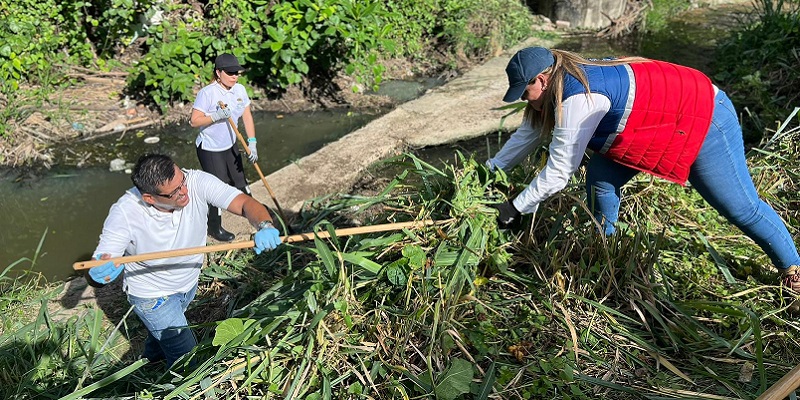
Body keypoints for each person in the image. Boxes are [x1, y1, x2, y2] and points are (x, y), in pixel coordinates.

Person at [489, 46, 800, 307]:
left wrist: (515, 207)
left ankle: (792, 268)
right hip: (650, 123)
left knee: (739, 207)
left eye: (525, 91)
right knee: (600, 179)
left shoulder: (578, 96)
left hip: (700, 115)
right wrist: (490, 170)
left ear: (542, 79)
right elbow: (526, 136)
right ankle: (604, 252)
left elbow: (559, 172)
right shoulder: (558, 80)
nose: (524, 100)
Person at [87, 153, 281, 368]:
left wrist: (264, 225)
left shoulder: (196, 181)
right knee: (188, 358)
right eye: (174, 193)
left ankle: (150, 359)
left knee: (163, 336)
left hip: (188, 283)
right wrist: (101, 270)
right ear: (150, 198)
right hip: (152, 296)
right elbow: (104, 259)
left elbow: (244, 203)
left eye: (183, 182)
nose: (185, 192)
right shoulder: (125, 212)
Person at [189, 53, 259, 242]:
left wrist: (252, 143)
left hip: (230, 143)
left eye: (237, 72)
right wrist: (216, 116)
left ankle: (257, 216)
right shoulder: (208, 93)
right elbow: (194, 121)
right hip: (210, 148)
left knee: (240, 181)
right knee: (217, 187)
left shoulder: (240, 90)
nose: (234, 76)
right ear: (218, 73)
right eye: (230, 73)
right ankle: (214, 227)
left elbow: (246, 116)